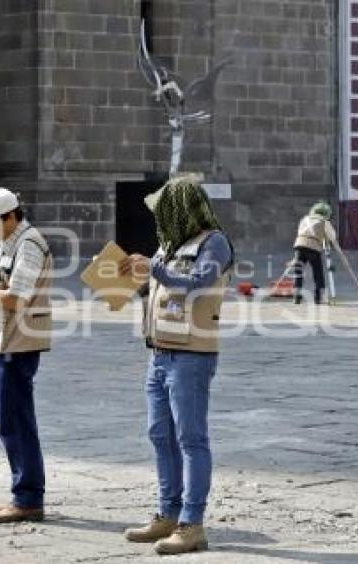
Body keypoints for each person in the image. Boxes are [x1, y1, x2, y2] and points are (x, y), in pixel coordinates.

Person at [120, 176, 234, 555]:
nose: (159, 219)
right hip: (159, 352)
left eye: (163, 211)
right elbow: (164, 288)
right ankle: (167, 514)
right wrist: (131, 278)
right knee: (160, 435)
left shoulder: (213, 242)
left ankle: (191, 523)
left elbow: (199, 282)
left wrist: (156, 270)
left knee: (191, 439)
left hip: (191, 355)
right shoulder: (171, 246)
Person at [0, 187, 53, 524]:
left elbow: (15, 298)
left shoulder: (28, 244)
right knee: (12, 421)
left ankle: (28, 498)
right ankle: (25, 495)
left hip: (17, 344)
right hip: (4, 342)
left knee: (15, 421)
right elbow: (0, 283)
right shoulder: (11, 242)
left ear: (10, 216)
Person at [291, 201, 341, 305]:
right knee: (318, 273)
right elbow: (332, 236)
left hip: (299, 245)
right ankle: (318, 298)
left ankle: (296, 297)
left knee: (298, 272)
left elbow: (300, 231)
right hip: (313, 246)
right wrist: (326, 239)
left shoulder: (305, 219)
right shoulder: (324, 221)